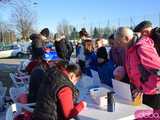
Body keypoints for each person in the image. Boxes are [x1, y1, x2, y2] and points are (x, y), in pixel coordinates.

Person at [114, 27, 160, 109]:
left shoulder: (142, 48)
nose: (117, 45)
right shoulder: (130, 49)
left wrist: (143, 89)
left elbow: (158, 70)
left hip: (152, 95)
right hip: (141, 93)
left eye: (119, 42)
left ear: (126, 38)